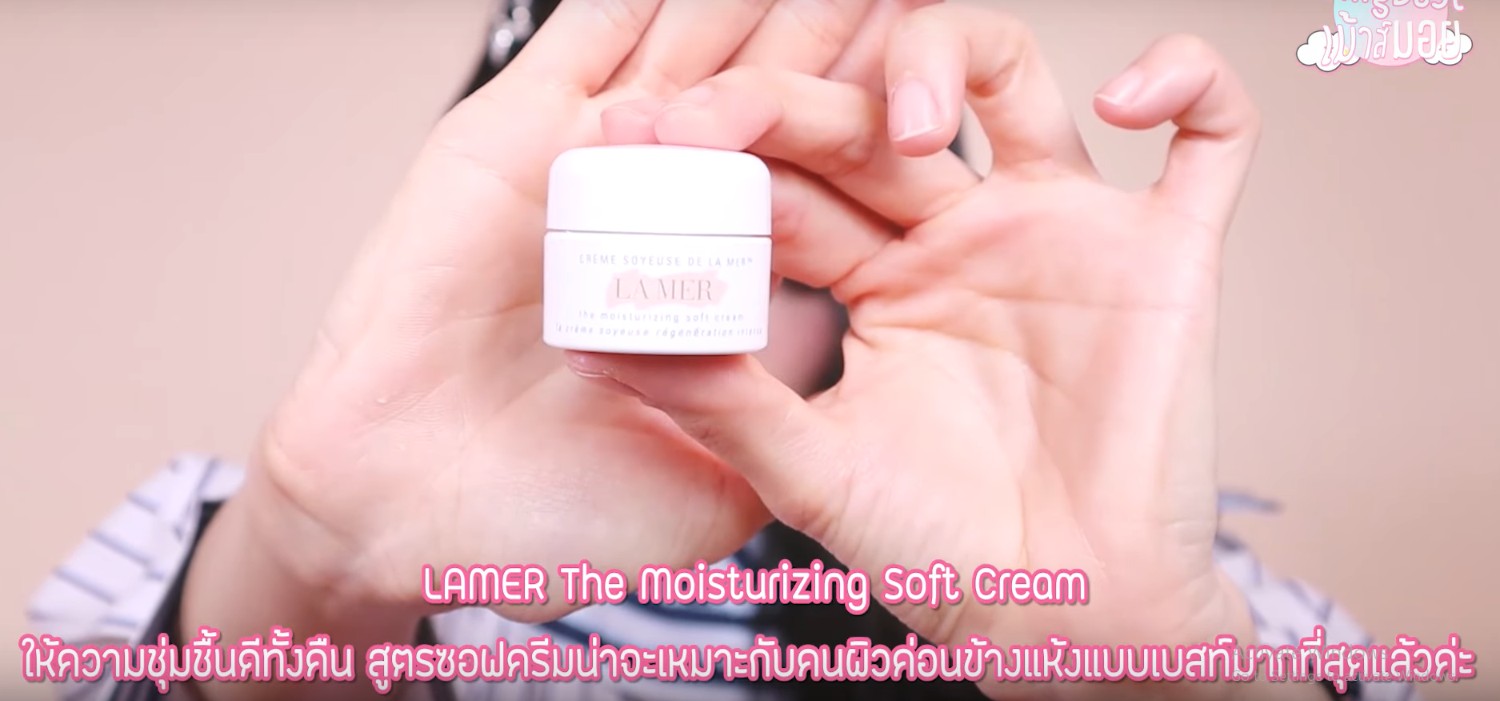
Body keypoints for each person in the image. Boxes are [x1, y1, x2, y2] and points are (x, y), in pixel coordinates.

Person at [24, 1, 1415, 700]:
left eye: (780, 224)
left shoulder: (1144, 569)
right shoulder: (240, 548)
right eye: (629, 198)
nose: (700, 277)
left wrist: (1166, 680)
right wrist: (309, 557)